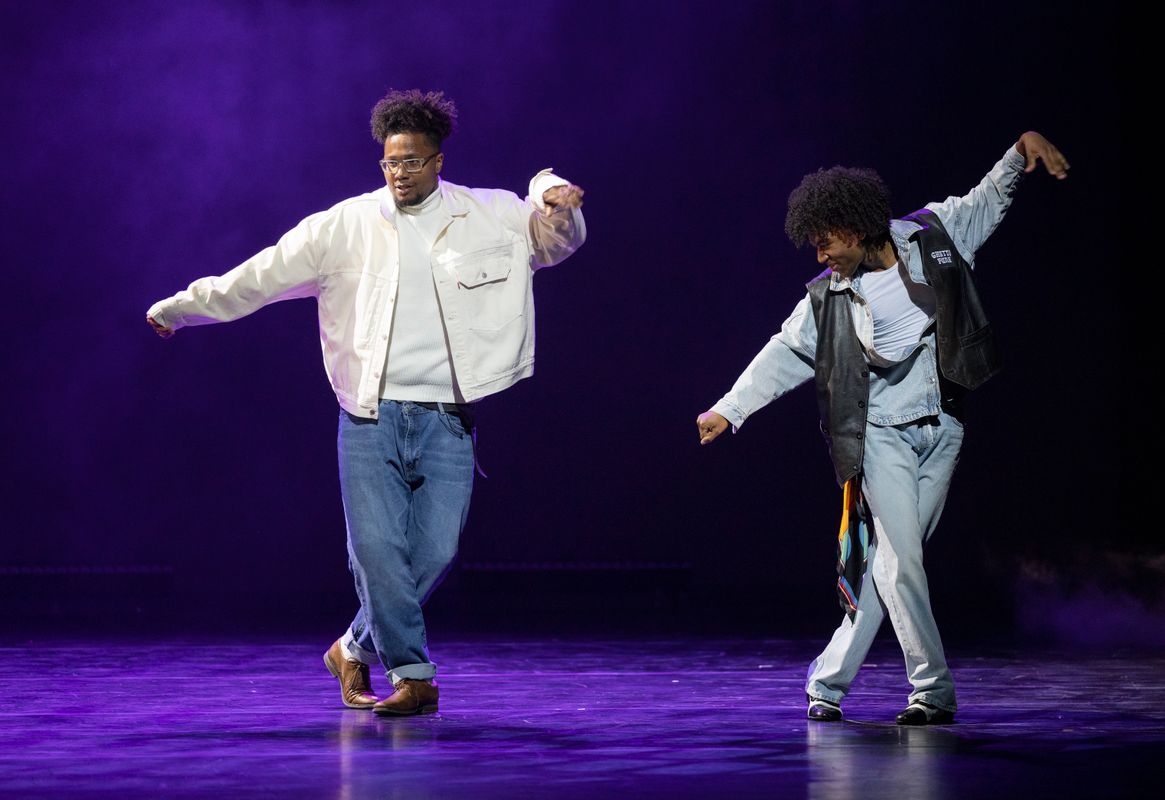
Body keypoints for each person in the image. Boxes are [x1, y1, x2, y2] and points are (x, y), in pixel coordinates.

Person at [147, 89, 585, 716]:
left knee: (434, 552)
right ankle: (414, 675)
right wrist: (181, 309)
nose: (399, 173)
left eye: (412, 162)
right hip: (369, 415)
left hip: (447, 415)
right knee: (377, 552)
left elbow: (552, 241)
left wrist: (553, 198)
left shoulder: (489, 213)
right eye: (390, 162)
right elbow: (259, 276)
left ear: (438, 161)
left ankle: (351, 646)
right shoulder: (344, 225)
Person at [695, 131, 1068, 725]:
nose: (820, 256)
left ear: (855, 226)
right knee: (902, 564)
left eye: (825, 241)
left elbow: (986, 200)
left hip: (944, 428)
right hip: (879, 434)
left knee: (891, 565)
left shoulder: (933, 234)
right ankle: (933, 690)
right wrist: (729, 409)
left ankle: (827, 681)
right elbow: (785, 351)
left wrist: (1020, 152)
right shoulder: (828, 297)